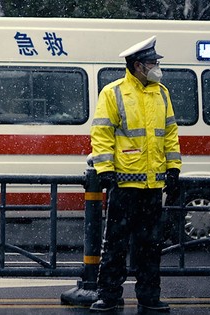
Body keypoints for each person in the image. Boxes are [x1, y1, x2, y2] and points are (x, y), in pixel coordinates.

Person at [89, 36, 182, 313]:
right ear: (138, 65)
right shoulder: (114, 92)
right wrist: (105, 170)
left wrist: (174, 168)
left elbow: (170, 134)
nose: (157, 67)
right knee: (115, 245)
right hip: (124, 184)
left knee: (151, 246)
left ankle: (149, 297)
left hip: (153, 186)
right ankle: (108, 295)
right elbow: (102, 133)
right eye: (153, 63)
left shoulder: (161, 93)